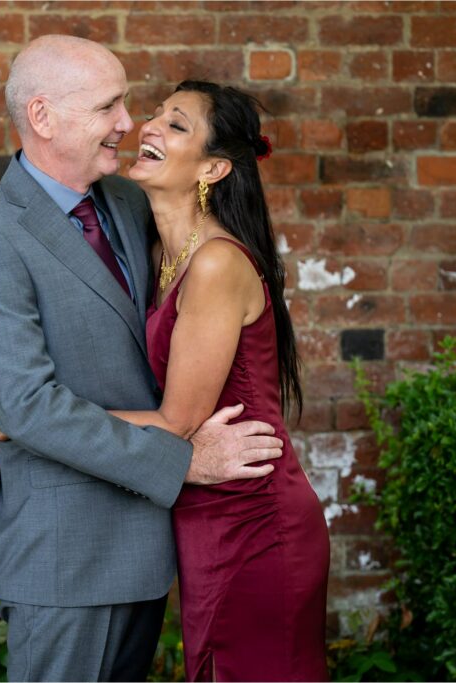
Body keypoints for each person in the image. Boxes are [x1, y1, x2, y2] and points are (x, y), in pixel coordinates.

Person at [0, 35, 284, 682]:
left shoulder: (131, 202)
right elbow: (29, 407)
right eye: (108, 107)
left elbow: (187, 327)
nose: (127, 123)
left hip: (147, 551)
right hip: (65, 558)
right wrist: (183, 460)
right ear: (43, 117)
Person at [112, 81, 330, 680]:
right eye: (156, 114)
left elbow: (178, 422)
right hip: (202, 512)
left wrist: (32, 415)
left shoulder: (215, 263)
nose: (150, 126)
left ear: (213, 168)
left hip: (255, 518)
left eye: (176, 124)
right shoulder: (159, 256)